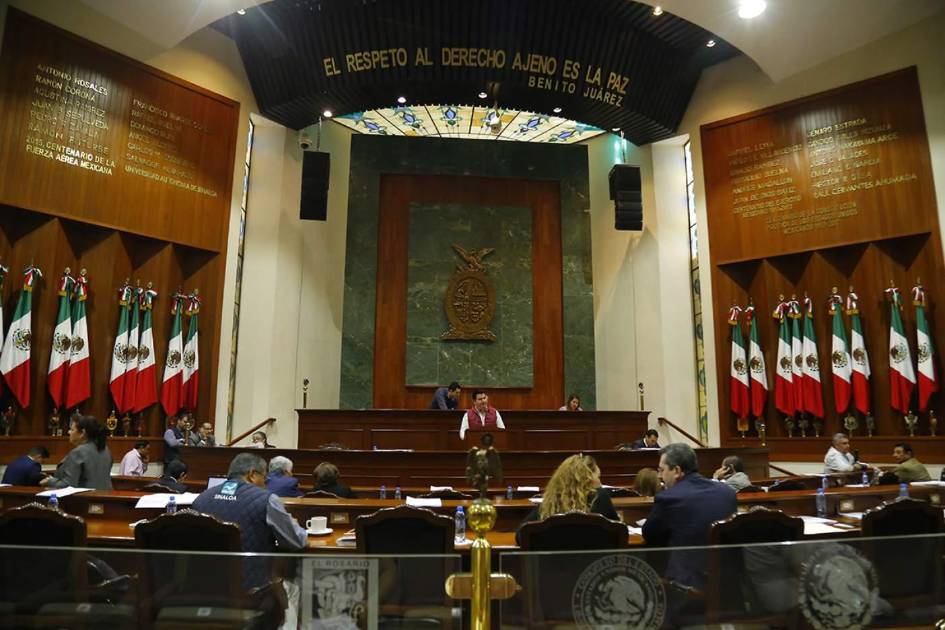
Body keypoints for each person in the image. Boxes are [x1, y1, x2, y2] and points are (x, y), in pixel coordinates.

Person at [192, 453, 307, 590]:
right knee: (294, 588)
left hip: (205, 585)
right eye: (264, 478)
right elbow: (297, 541)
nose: (265, 484)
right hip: (252, 589)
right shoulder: (266, 499)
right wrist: (293, 524)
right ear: (252, 474)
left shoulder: (201, 498)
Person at [642, 443, 737, 592]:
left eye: (661, 470)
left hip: (687, 588)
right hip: (728, 584)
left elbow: (649, 533)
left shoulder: (668, 498)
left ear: (676, 471)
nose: (659, 476)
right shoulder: (727, 492)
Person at [519, 454, 619, 531]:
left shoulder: (551, 502)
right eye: (598, 477)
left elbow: (522, 533)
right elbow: (619, 531)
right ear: (588, 479)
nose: (600, 482)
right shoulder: (600, 496)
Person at [42, 416, 113, 491]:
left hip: (84, 497)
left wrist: (50, 481)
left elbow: (68, 485)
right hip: (105, 496)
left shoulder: (78, 452)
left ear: (82, 433)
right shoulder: (106, 450)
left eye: (72, 429)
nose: (69, 432)